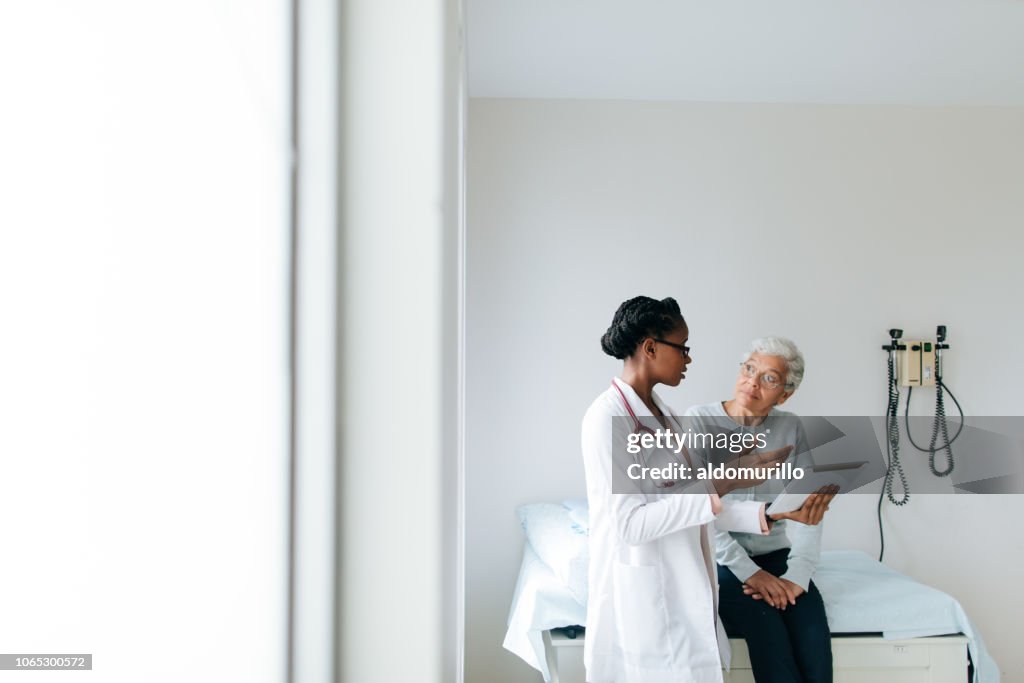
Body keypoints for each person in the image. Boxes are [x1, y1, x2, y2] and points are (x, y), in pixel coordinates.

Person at [581, 298, 833, 683]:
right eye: (682, 348)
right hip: (647, 594)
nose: (688, 359)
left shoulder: (666, 416)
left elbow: (689, 500)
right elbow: (630, 525)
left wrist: (770, 514)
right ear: (650, 348)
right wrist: (727, 480)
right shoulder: (608, 418)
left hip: (686, 580)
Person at [685, 337, 834, 683]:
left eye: (769, 377)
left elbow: (807, 507)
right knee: (770, 638)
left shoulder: (790, 426)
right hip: (721, 562)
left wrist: (797, 576)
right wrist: (750, 573)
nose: (753, 381)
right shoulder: (698, 422)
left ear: (784, 394)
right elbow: (698, 510)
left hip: (776, 554)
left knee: (813, 637)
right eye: (749, 368)